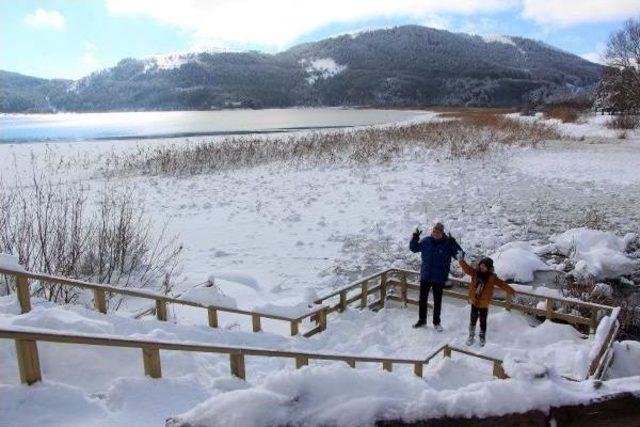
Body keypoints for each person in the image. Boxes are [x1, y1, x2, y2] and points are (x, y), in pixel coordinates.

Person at [409, 222, 463, 331]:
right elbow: (414, 248)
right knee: (422, 300)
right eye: (434, 231)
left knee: (437, 301)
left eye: (438, 231)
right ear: (432, 231)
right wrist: (415, 237)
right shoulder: (426, 241)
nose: (436, 233)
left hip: (439, 277)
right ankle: (422, 320)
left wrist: (454, 243)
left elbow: (460, 255)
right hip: (426, 275)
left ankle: (436, 323)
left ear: (442, 233)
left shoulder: (448, 244)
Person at [458, 256, 515, 347]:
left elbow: (501, 284)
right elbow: (467, 269)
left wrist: (510, 290)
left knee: (483, 321)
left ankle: (482, 337)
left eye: (484, 266)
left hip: (484, 303)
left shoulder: (492, 277)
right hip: (474, 301)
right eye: (481, 265)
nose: (482, 267)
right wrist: (461, 261)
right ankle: (471, 336)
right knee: (473, 319)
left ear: (488, 268)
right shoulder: (475, 273)